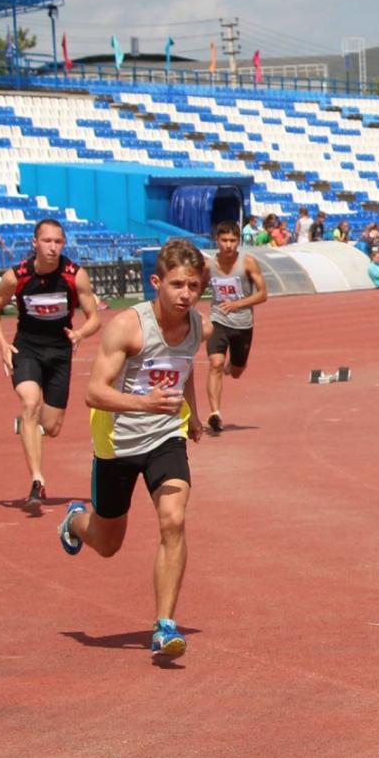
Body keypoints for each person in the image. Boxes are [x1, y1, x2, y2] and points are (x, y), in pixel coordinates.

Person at [57, 240, 207, 665]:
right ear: (156, 282)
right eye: (177, 284)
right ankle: (75, 520)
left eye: (194, 286)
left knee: (174, 520)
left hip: (165, 437)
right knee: (107, 543)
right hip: (117, 444)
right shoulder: (127, 327)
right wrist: (144, 404)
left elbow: (185, 365)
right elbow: (93, 393)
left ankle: (164, 626)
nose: (186, 295)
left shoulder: (195, 325)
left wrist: (192, 415)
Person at [0, 218, 103, 512]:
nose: (52, 247)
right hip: (26, 349)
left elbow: (95, 317)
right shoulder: (18, 276)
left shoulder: (75, 276)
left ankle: (29, 425)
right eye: (47, 241)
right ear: (34, 243)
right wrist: (2, 345)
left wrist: (80, 333)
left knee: (51, 427)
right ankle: (37, 480)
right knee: (30, 402)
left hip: (60, 352)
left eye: (58, 242)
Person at [202, 220, 268, 435]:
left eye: (232, 240)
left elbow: (262, 294)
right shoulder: (209, 265)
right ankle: (215, 413)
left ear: (238, 241)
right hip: (217, 319)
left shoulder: (248, 262)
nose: (228, 245)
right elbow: (198, 289)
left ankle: (232, 367)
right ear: (217, 240)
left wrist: (237, 304)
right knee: (215, 363)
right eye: (224, 240)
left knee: (237, 370)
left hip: (243, 324)